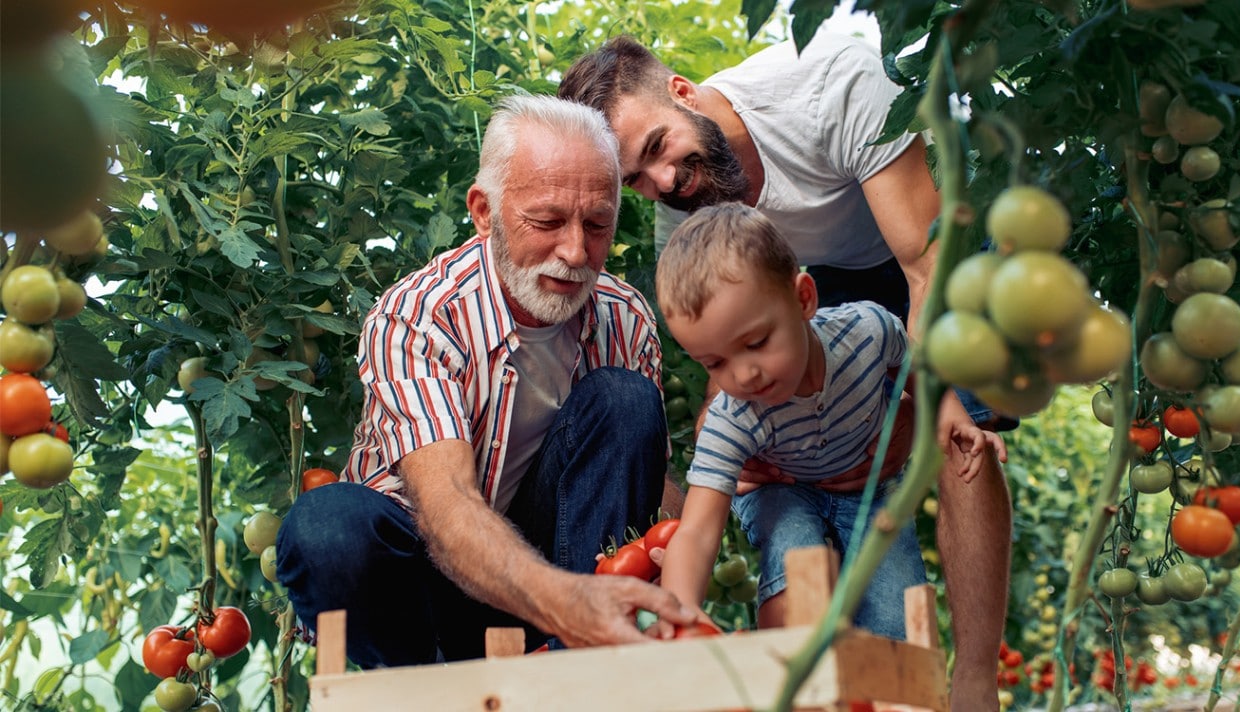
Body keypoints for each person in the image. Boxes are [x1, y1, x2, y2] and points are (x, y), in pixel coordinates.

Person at [559, 32, 1011, 709]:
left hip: (916, 242)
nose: (662, 183)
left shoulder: (833, 86)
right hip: (791, 283)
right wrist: (715, 481)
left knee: (962, 433)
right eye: (635, 179)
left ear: (683, 92)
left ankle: (975, 682)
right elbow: (723, 371)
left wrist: (935, 406)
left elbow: (924, 272)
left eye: (656, 148)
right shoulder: (684, 213)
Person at [275, 94, 698, 668]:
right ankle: (425, 693)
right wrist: (568, 601)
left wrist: (697, 528)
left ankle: (580, 672)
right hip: (429, 579)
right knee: (326, 529)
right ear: (483, 211)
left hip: (559, 579)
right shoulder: (419, 315)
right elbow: (447, 506)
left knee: (625, 400)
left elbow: (642, 490)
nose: (575, 252)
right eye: (547, 221)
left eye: (598, 224)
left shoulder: (623, 316)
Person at [652, 203, 987, 640]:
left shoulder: (866, 331)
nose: (743, 375)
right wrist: (678, 615)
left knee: (894, 612)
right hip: (781, 491)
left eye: (756, 342)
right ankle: (790, 677)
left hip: (865, 488)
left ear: (804, 299)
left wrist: (953, 417)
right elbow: (696, 532)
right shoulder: (731, 418)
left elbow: (917, 367)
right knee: (795, 554)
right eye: (715, 363)